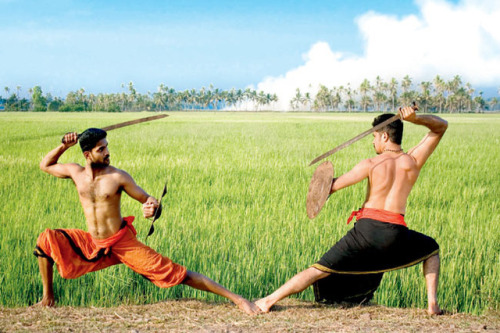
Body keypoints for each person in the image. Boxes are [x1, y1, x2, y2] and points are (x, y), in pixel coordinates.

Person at [33, 128, 259, 315]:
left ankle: (238, 300)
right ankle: (48, 299)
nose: (108, 152)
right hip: (93, 242)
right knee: (46, 240)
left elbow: (149, 199)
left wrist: (153, 209)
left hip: (122, 242)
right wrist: (64, 146)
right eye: (101, 149)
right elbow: (45, 165)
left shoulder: (118, 177)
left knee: (177, 274)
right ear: (87, 155)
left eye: (107, 146)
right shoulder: (75, 172)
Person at [255, 106, 448, 315]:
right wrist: (416, 119)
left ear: (384, 136)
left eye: (374, 136)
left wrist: (321, 181)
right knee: (431, 249)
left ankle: (268, 301)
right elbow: (440, 127)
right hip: (395, 234)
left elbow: (330, 187)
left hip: (366, 232)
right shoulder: (413, 161)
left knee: (318, 269)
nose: (373, 141)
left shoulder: (370, 164)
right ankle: (432, 305)